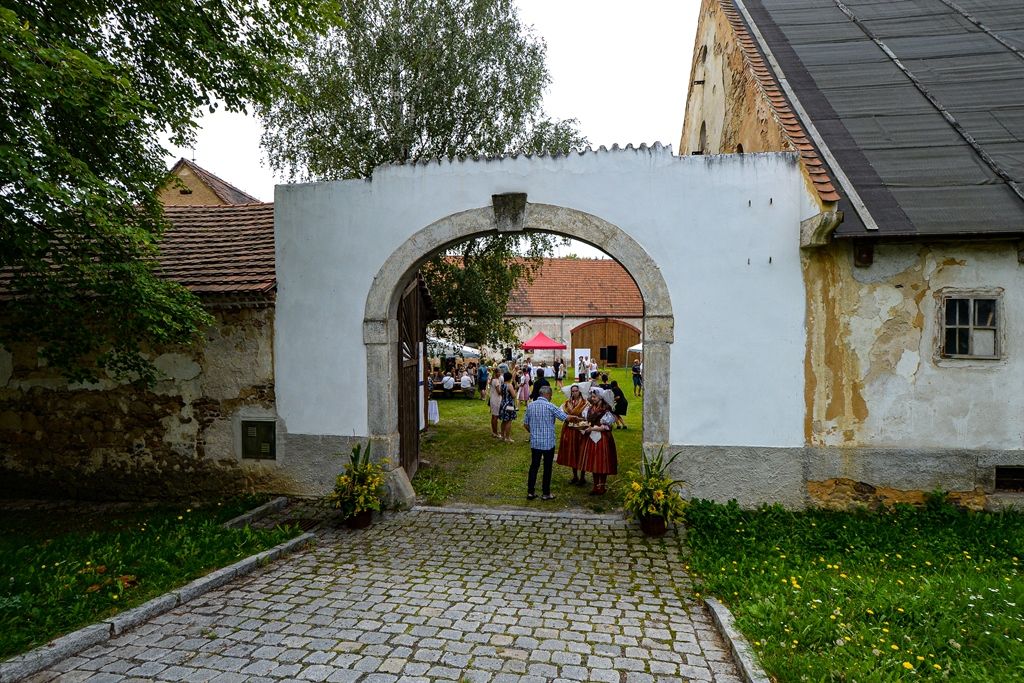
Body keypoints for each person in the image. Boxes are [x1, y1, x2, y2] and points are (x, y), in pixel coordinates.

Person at [523, 385, 577, 500]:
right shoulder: (550, 406)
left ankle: (530, 492)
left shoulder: (530, 406)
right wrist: (578, 418)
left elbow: (525, 424)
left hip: (535, 442)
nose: (551, 397)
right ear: (547, 395)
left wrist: (533, 433)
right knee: (547, 468)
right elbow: (565, 418)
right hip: (548, 443)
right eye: (550, 395)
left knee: (534, 466)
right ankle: (546, 493)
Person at [579, 388, 618, 495]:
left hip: (602, 438)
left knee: (602, 462)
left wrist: (592, 429)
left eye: (595, 397)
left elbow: (607, 427)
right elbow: (587, 421)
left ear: (600, 397)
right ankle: (596, 486)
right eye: (592, 396)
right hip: (591, 437)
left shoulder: (606, 409)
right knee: (593, 462)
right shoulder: (591, 408)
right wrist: (585, 426)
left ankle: (602, 486)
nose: (593, 398)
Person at [556, 383, 589, 486]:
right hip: (569, 429)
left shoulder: (585, 403)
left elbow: (587, 416)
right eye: (573, 391)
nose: (574, 392)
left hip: (580, 430)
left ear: (579, 392)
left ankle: (583, 477)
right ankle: (575, 476)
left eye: (576, 391)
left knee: (581, 452)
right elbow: (561, 413)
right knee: (572, 452)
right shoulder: (566, 403)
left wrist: (578, 419)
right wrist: (568, 417)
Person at [498, 371, 518, 442]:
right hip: (509, 405)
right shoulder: (509, 385)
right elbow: (514, 396)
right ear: (510, 378)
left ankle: (502, 436)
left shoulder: (502, 385)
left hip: (503, 403)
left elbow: (500, 393)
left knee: (504, 420)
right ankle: (507, 437)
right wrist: (515, 390)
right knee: (509, 420)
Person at [488, 368, 504, 438]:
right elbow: (499, 392)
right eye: (499, 373)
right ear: (496, 373)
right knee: (495, 417)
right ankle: (495, 432)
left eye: (500, 373)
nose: (500, 374)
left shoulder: (492, 380)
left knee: (493, 416)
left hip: (493, 399)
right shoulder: (496, 381)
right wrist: (505, 390)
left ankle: (494, 431)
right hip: (496, 400)